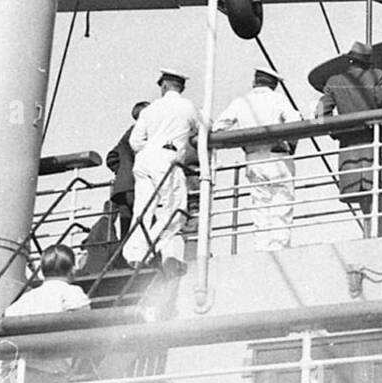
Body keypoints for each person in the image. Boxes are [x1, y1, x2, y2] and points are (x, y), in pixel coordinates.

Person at [0, 245, 90, 383]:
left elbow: (3, 335)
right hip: (50, 380)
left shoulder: (24, 300)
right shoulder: (72, 294)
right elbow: (83, 319)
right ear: (72, 269)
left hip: (18, 380)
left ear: (41, 270)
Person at [317, 43, 382, 237]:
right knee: (381, 198)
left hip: (351, 152)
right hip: (380, 148)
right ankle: (381, 235)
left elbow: (321, 114)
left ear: (349, 60)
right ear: (367, 62)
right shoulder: (377, 76)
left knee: (366, 203)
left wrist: (339, 130)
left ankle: (374, 235)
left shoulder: (334, 82)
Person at [215, 69, 302, 250]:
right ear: (274, 84)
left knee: (259, 208)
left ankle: (261, 249)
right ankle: (278, 248)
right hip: (278, 156)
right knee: (281, 205)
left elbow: (218, 128)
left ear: (255, 81)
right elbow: (295, 122)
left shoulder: (241, 102)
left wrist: (242, 140)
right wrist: (289, 145)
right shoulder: (277, 99)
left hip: (253, 159)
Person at [124, 69, 199, 270]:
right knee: (176, 210)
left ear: (164, 86)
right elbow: (203, 127)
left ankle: (134, 254)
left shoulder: (150, 110)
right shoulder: (187, 106)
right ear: (181, 87)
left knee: (143, 209)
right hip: (167, 158)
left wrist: (150, 150)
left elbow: (135, 141)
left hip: (144, 160)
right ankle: (152, 248)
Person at [105, 101, 149, 239]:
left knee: (127, 228)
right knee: (145, 222)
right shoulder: (143, 133)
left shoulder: (128, 133)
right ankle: (152, 258)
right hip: (135, 185)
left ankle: (124, 258)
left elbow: (111, 157)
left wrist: (122, 172)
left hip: (122, 188)